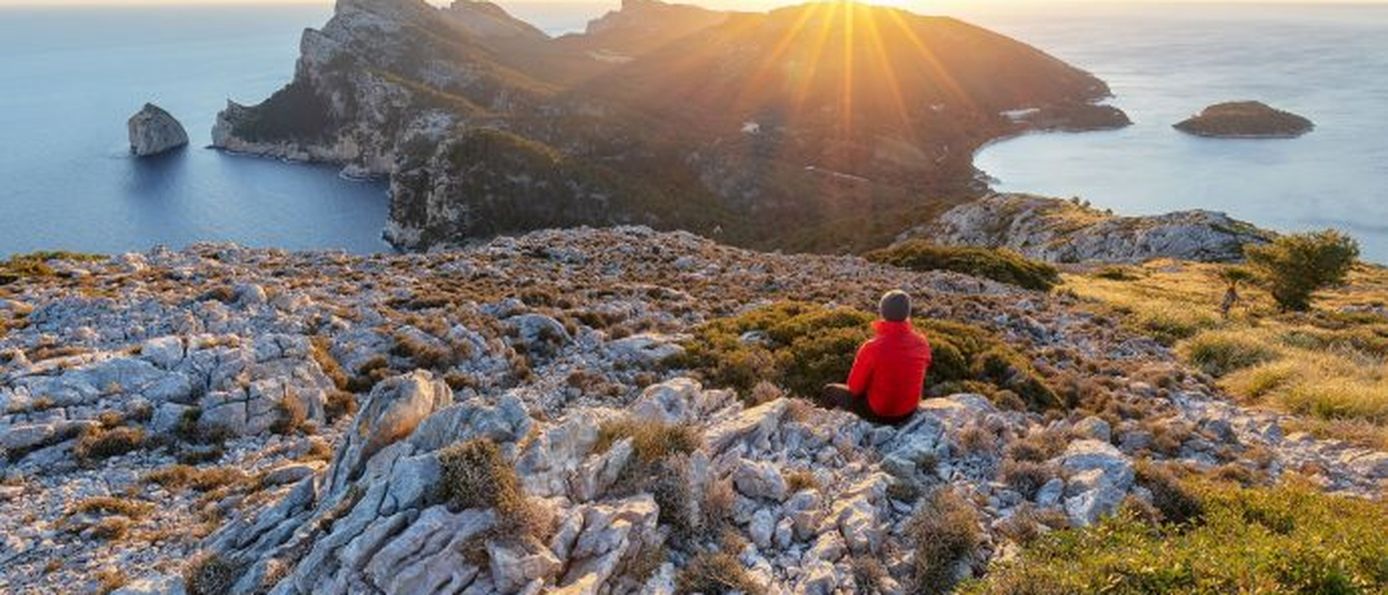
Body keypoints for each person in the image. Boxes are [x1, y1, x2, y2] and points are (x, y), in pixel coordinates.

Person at [819, 290, 932, 425]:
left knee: (829, 391)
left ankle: (826, 425)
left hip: (879, 413)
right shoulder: (922, 342)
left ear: (882, 312)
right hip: (908, 412)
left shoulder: (872, 347)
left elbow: (854, 388)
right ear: (908, 313)